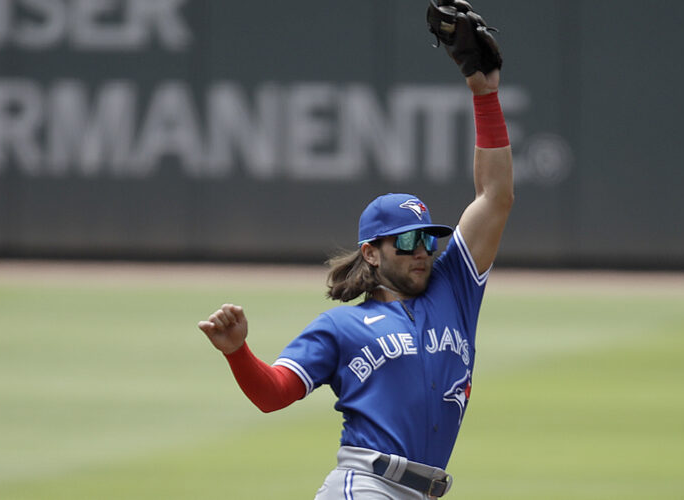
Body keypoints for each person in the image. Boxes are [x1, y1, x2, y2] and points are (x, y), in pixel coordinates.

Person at [198, 2, 512, 497]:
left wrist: (485, 95)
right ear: (371, 253)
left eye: (428, 238)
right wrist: (238, 352)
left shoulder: (453, 290)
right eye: (406, 241)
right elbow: (274, 393)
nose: (422, 251)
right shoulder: (339, 329)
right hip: (366, 486)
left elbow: (494, 198)